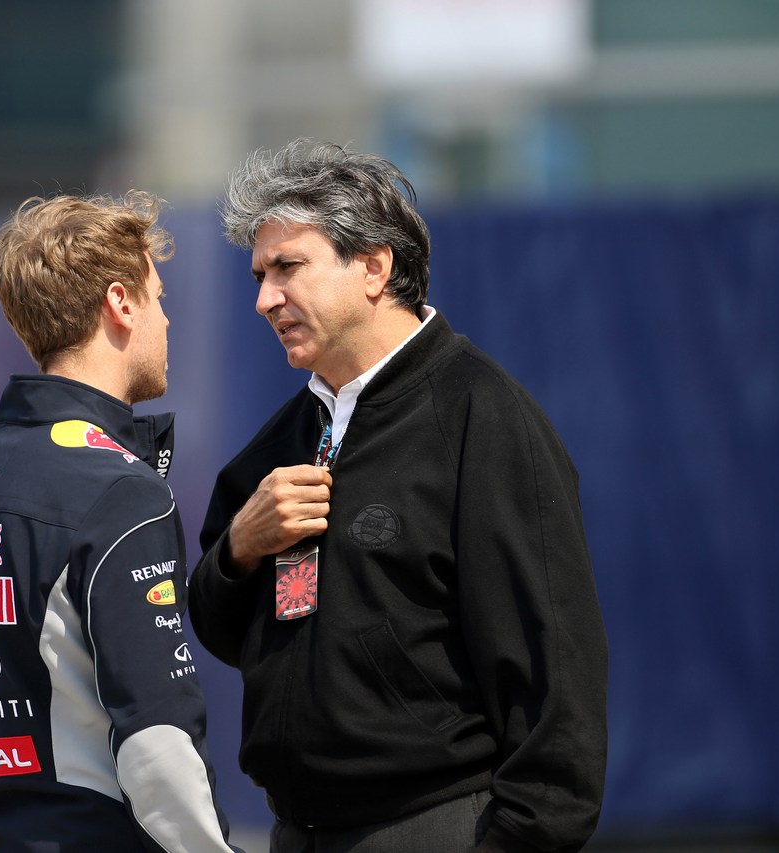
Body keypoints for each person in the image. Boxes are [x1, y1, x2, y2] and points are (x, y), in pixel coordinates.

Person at [188, 139, 609, 852]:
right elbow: (221, 627)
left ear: (375, 266)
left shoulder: (483, 416)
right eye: (259, 274)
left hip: (436, 825)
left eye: (288, 267)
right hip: (298, 831)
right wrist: (238, 550)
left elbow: (554, 673)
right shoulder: (277, 445)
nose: (264, 298)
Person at [0, 191, 243, 853]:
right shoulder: (118, 489)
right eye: (159, 296)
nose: (167, 321)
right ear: (120, 303)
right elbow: (157, 740)